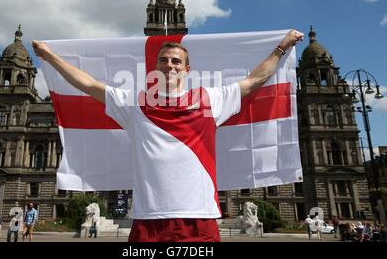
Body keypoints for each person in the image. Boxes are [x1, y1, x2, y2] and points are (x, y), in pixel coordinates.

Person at [32, 29, 304, 242]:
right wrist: (50, 56)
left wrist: (282, 47)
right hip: (149, 221)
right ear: (155, 69)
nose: (169, 65)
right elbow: (89, 83)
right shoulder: (135, 103)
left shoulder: (210, 99)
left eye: (176, 61)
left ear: (187, 70)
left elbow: (254, 81)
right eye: (163, 60)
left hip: (199, 218)